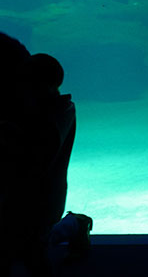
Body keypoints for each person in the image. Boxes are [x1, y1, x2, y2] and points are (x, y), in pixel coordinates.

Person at [0, 52, 78, 277]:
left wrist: (10, 134)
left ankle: (76, 223)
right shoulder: (34, 111)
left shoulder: (61, 112)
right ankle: (75, 224)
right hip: (24, 202)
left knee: (32, 253)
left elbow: (40, 155)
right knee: (32, 250)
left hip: (40, 203)